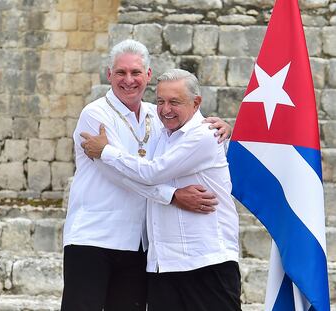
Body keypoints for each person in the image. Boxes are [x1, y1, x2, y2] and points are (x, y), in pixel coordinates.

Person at [61, 40, 231, 311]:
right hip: (93, 237)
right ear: (109, 74)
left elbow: (189, 138)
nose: (129, 80)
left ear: (148, 75)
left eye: (136, 73)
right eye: (121, 73)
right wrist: (172, 196)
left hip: (138, 243)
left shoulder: (158, 114)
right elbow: (121, 175)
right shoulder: (95, 115)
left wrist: (221, 129)